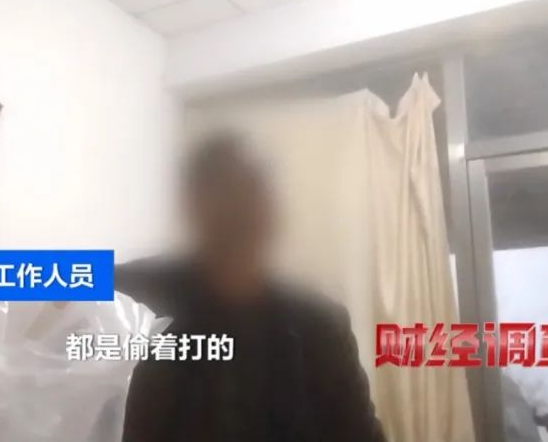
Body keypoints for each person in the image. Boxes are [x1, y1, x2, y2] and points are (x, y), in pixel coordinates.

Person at [116, 131, 386, 442]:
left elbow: (361, 434)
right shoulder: (149, 285)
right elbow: (67, 275)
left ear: (271, 211)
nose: (236, 211)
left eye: (248, 193)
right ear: (192, 206)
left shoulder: (320, 324)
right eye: (222, 193)